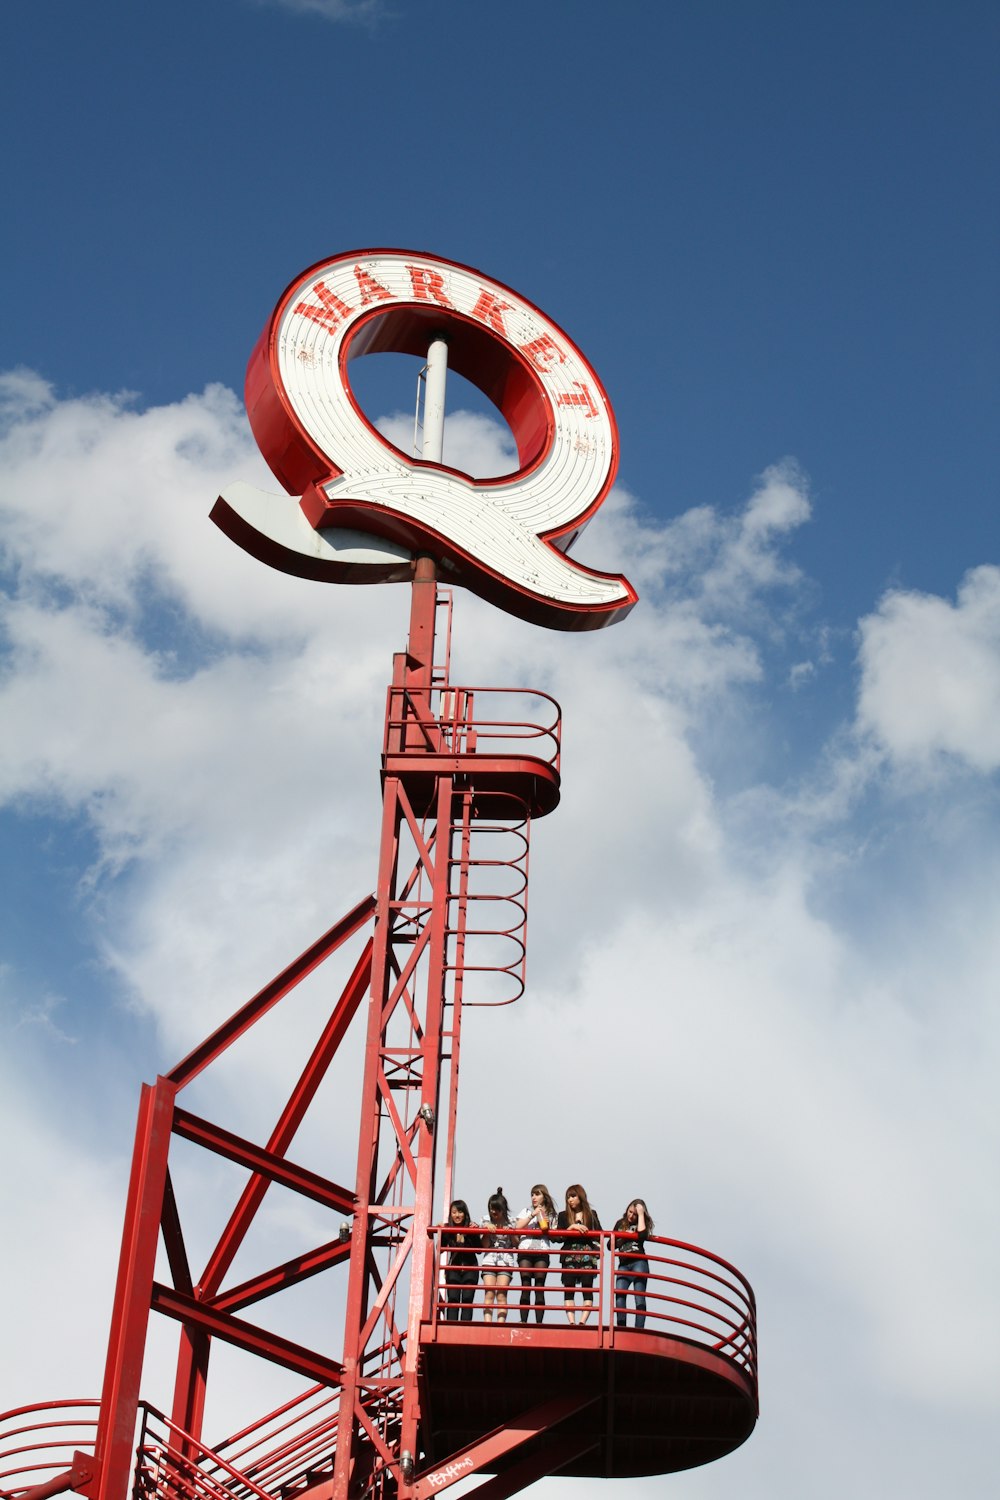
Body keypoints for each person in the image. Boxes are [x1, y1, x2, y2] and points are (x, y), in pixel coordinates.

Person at [556, 1184, 602, 1325]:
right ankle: (571, 1321)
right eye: (568, 1197)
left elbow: (600, 1233)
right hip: (570, 1253)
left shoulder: (591, 1214)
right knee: (569, 1287)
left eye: (573, 1196)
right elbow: (558, 1237)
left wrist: (596, 1246)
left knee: (587, 1286)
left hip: (587, 1253)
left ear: (580, 1197)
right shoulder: (563, 1215)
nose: (570, 1199)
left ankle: (583, 1321)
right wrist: (571, 1228)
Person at [515, 1184, 557, 1324]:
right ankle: (523, 1321)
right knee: (525, 1284)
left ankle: (539, 1323)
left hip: (542, 1251)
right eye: (532, 1194)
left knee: (539, 1286)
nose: (534, 1197)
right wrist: (532, 1214)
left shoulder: (552, 1214)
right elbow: (518, 1227)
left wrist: (543, 1216)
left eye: (537, 1194)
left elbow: (554, 1232)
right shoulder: (526, 1210)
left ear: (544, 1196)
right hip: (525, 1251)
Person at [613, 1198, 653, 1329]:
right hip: (624, 1264)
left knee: (639, 1297)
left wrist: (641, 1214)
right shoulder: (620, 1223)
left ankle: (639, 1329)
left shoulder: (642, 1223)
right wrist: (625, 1235)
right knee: (619, 1294)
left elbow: (642, 1236)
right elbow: (610, 1245)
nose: (631, 1215)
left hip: (639, 1262)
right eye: (630, 1212)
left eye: (635, 1214)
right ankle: (621, 1328)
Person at [480, 1187, 516, 1323]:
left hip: (505, 1261)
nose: (493, 1212)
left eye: (496, 1209)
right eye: (491, 1208)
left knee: (501, 1295)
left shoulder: (511, 1222)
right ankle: (488, 1323)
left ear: (503, 1209)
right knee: (489, 1293)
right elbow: (483, 1245)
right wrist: (487, 1231)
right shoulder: (485, 1221)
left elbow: (516, 1244)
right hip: (489, 1259)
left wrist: (512, 1233)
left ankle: (500, 1324)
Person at [442, 1199, 478, 1322]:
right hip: (454, 1268)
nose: (457, 1215)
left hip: (470, 1268)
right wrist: (442, 1231)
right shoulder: (448, 1230)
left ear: (465, 1213)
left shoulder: (472, 1228)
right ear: (450, 1214)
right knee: (452, 1299)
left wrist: (473, 1233)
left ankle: (465, 1328)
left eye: (460, 1212)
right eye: (454, 1212)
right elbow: (440, 1248)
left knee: (467, 1300)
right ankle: (450, 1327)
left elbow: (479, 1249)